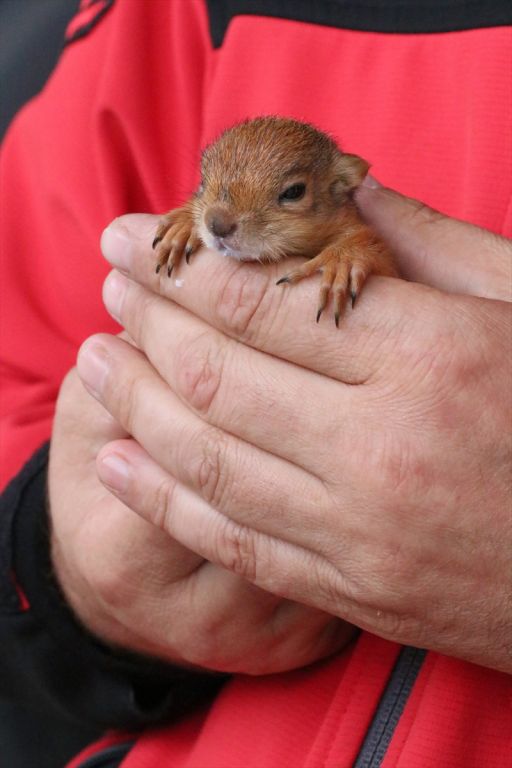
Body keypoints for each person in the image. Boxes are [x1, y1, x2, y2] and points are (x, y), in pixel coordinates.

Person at [1, 2, 511, 767]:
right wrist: (64, 566)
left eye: (291, 196)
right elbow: (21, 357)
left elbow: (367, 252)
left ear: (340, 188)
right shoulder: (159, 26)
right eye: (207, 189)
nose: (222, 224)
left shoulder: (349, 238)